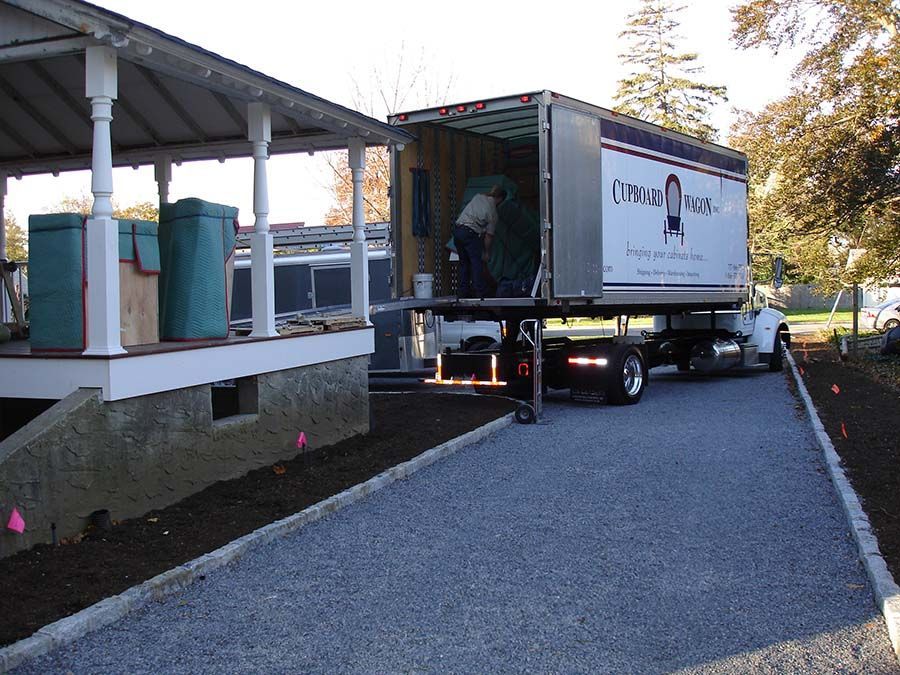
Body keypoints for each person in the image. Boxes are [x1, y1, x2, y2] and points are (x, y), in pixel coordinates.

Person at [453, 185, 506, 298]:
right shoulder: (493, 213)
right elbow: (489, 236)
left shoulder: (478, 196)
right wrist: (486, 252)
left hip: (458, 231)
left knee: (464, 263)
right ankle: (480, 291)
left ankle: (463, 292)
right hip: (470, 233)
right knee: (476, 263)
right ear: (500, 199)